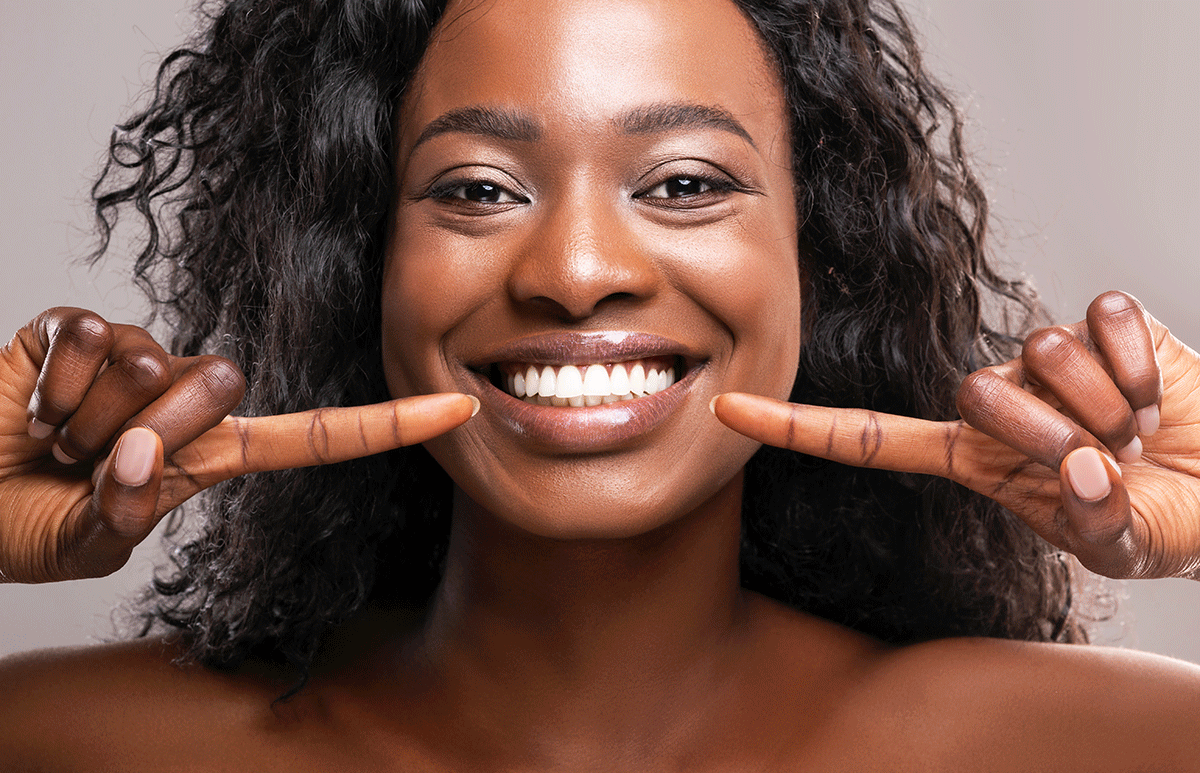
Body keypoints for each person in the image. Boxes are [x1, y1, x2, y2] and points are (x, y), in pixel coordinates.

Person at [1, 0, 1198, 768]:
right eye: (476, 188)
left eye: (682, 183)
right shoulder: (74, 742)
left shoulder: (1106, 743)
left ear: (814, 259)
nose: (575, 274)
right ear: (364, 268)